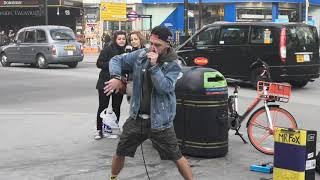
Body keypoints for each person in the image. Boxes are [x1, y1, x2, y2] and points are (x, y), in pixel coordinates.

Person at [104, 26, 193, 180]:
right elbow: (116, 59)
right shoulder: (141, 55)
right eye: (151, 43)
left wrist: (155, 67)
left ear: (167, 44)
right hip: (137, 118)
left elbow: (165, 88)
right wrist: (117, 77)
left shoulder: (174, 64)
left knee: (176, 156)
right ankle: (113, 177)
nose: (153, 48)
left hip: (161, 123)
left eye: (157, 45)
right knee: (120, 151)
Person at [95, 30, 127, 140]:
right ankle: (99, 130)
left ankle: (114, 128)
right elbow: (99, 63)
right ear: (115, 39)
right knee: (103, 106)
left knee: (116, 107)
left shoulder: (127, 50)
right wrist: (113, 64)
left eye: (123, 38)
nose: (122, 41)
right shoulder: (108, 48)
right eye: (119, 39)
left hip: (119, 83)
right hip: (105, 82)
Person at [125, 31, 147, 102]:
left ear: (140, 39)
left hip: (145, 81)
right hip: (132, 81)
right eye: (131, 40)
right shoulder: (129, 52)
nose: (133, 41)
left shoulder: (146, 51)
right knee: (133, 105)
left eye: (135, 39)